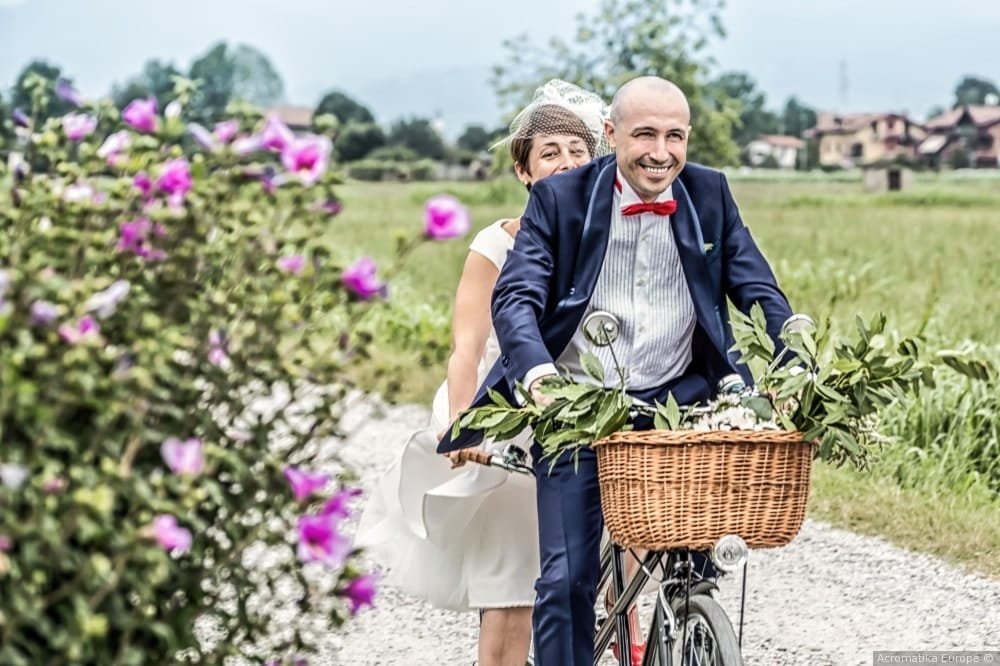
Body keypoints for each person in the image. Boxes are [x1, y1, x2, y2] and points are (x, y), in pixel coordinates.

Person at [438, 76, 794, 665]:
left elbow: (757, 287)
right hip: (575, 402)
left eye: (674, 135)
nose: (661, 151)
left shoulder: (710, 193)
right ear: (612, 135)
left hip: (683, 399)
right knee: (566, 579)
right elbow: (516, 300)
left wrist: (793, 358)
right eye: (645, 134)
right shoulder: (562, 199)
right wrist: (539, 378)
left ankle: (689, 618)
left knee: (697, 555)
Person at [355, 80, 610, 666]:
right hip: (507, 415)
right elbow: (467, 347)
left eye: (579, 150)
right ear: (524, 171)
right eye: (550, 152)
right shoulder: (498, 245)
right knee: (514, 583)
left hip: (589, 414)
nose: (567, 162)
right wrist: (470, 425)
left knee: (620, 572)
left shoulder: (616, 238)